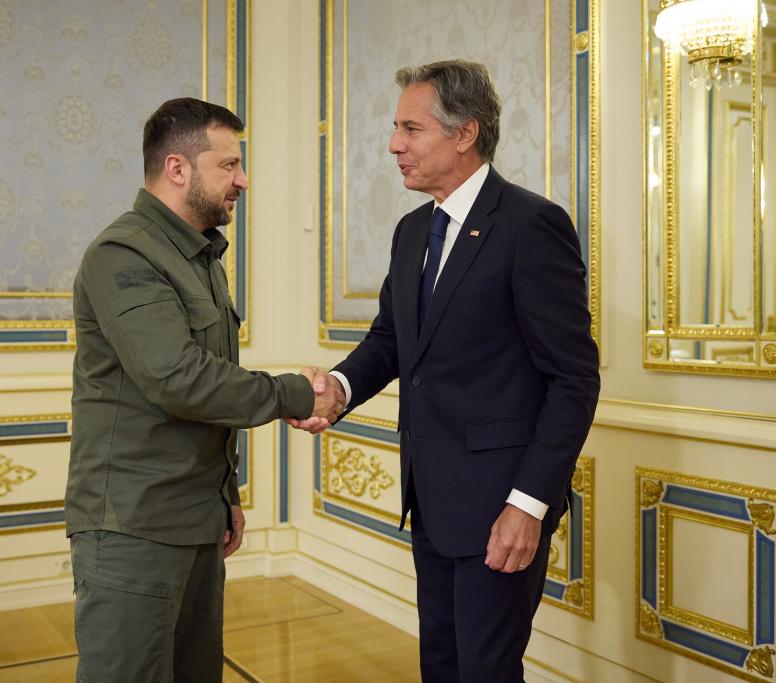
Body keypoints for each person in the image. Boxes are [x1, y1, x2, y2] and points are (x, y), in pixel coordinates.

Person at [291, 60, 600, 682]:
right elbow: (390, 342)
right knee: (442, 665)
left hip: (500, 505)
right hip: (430, 499)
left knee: (486, 670)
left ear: (464, 134)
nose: (394, 144)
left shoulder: (531, 225)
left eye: (411, 128)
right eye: (395, 128)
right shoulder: (413, 232)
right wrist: (339, 389)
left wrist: (529, 505)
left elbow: (574, 377)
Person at [66, 97, 340, 682]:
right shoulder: (124, 253)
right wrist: (297, 392)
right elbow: (178, 378)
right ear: (177, 169)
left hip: (192, 519)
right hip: (133, 527)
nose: (243, 179)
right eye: (229, 165)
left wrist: (225, 498)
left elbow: (204, 390)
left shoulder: (200, 256)